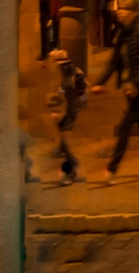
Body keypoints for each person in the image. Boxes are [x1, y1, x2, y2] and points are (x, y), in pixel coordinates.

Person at [90, 0, 139, 184]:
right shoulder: (123, 32)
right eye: (120, 9)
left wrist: (137, 83)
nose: (120, 12)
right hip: (129, 86)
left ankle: (112, 169)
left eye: (125, 9)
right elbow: (114, 61)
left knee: (126, 126)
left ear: (135, 12)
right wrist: (99, 82)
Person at [41, 49, 87, 186]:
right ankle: (65, 156)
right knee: (62, 141)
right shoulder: (73, 71)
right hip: (68, 111)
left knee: (65, 142)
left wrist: (57, 111)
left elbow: (61, 96)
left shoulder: (64, 73)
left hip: (66, 112)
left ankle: (70, 170)